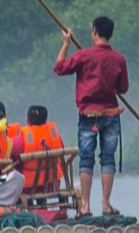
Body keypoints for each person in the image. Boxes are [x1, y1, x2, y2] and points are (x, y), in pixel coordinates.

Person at [53, 16, 129, 218]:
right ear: (110, 34)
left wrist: (66, 43)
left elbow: (59, 68)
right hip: (111, 116)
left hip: (88, 116)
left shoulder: (84, 56)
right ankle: (106, 204)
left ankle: (85, 206)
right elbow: (123, 88)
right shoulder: (119, 59)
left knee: (86, 160)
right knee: (108, 159)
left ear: (94, 32)